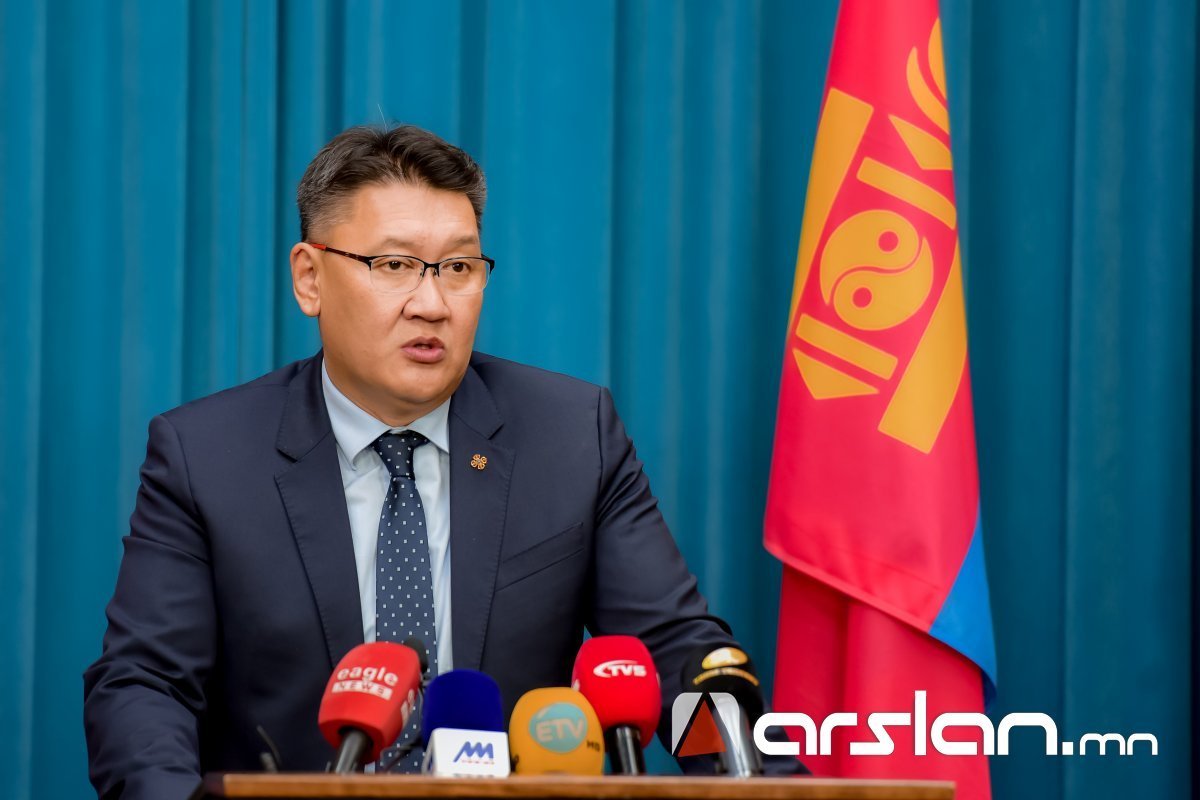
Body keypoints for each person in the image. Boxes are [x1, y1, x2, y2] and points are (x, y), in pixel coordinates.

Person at [82, 125, 754, 799]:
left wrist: (752, 780)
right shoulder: (206, 457)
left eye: (458, 268)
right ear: (310, 278)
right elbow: (145, 685)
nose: (431, 305)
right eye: (394, 265)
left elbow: (675, 656)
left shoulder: (572, 436)